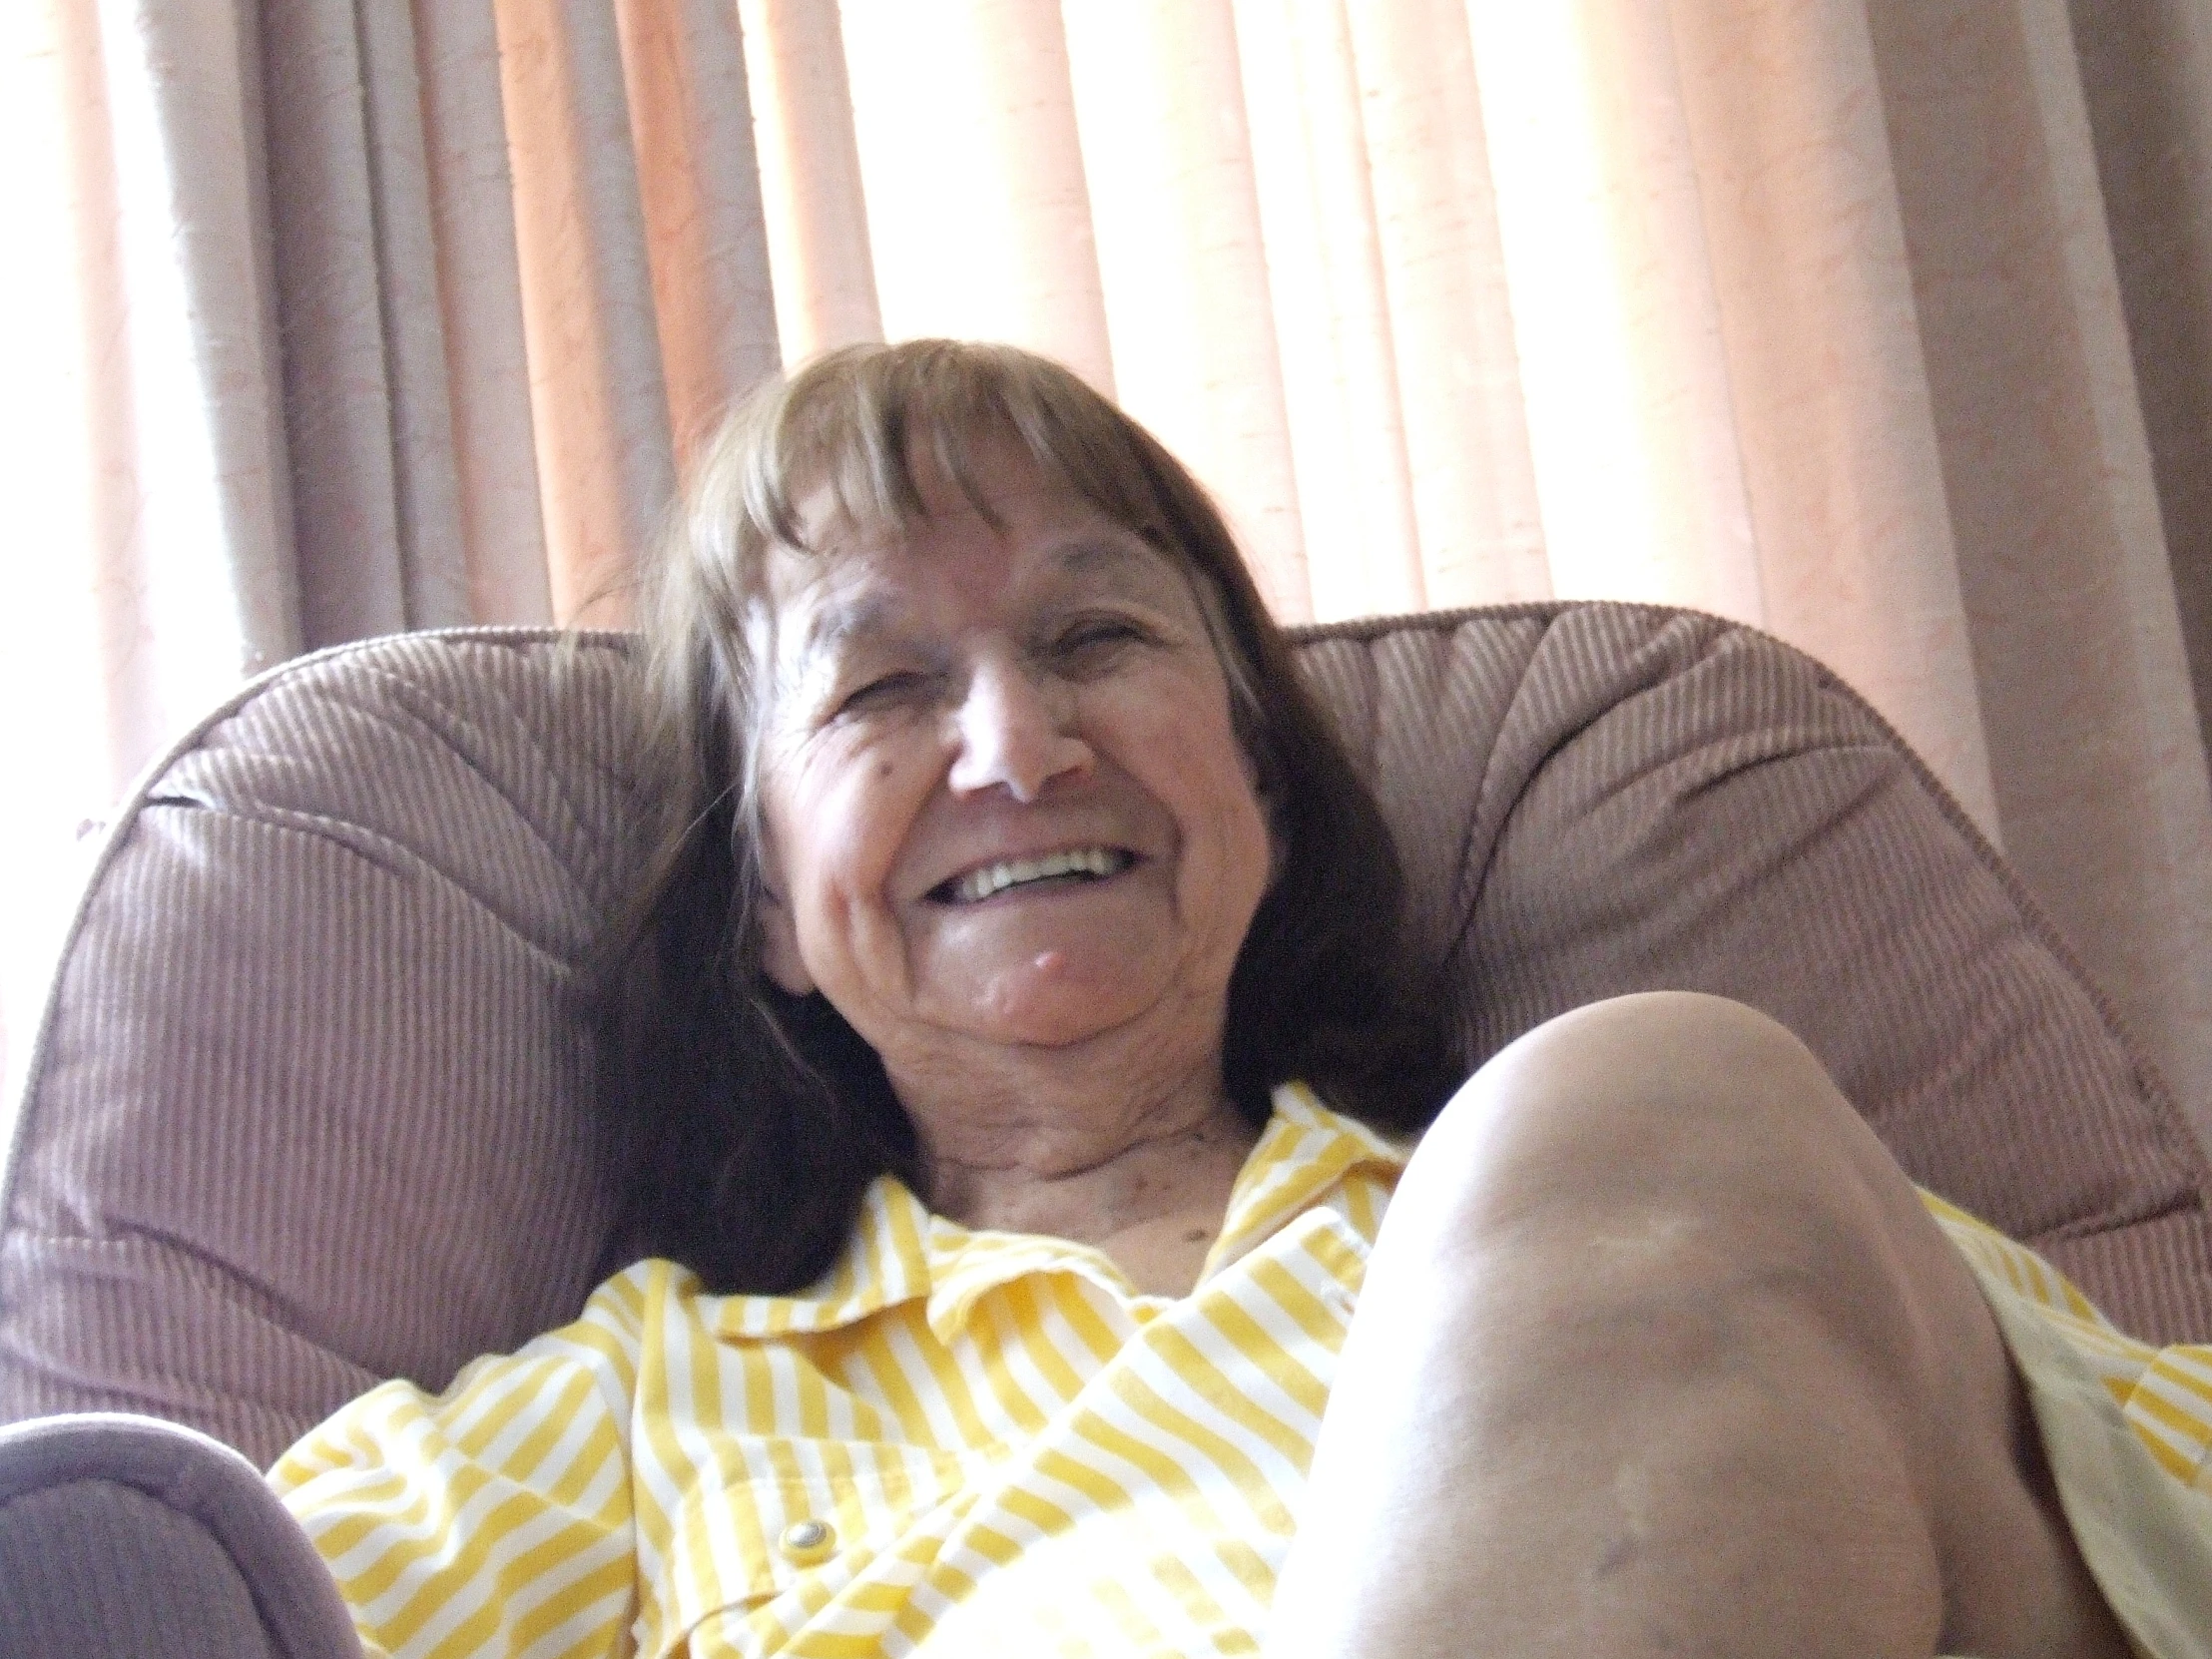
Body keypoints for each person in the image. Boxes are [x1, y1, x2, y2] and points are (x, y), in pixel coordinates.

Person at [271, 339, 2212, 1658]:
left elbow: (2152, 1501)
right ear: (770, 906)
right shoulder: (644, 1406)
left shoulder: (1642, 1205)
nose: (1014, 747)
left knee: (1657, 1096)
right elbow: (143, 1585)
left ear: (1259, 784)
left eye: (1094, 635)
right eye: (881, 691)